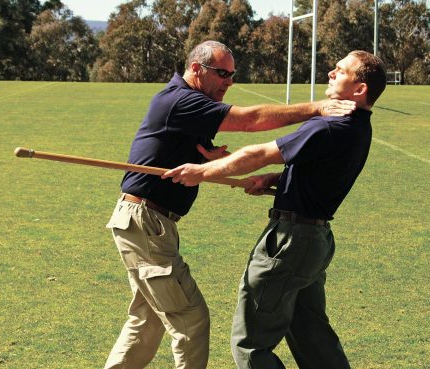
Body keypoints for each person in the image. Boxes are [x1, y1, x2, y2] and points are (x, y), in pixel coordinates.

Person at [104, 40, 356, 369]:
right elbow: (249, 120)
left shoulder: (186, 102)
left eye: (233, 74)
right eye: (223, 73)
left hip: (146, 224)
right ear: (196, 69)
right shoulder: (182, 100)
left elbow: (189, 161)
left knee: (146, 320)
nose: (229, 81)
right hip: (145, 223)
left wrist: (212, 163)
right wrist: (316, 108)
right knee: (191, 321)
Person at [163, 50, 387, 369]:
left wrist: (202, 172)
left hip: (291, 241)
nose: (330, 73)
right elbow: (322, 170)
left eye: (340, 71)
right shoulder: (359, 128)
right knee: (313, 337)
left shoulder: (330, 127)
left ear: (359, 89)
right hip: (315, 242)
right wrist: (279, 181)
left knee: (250, 344)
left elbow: (260, 152)